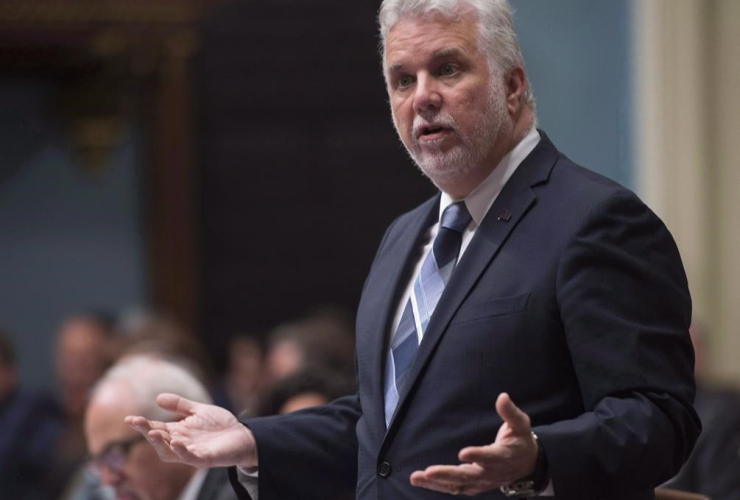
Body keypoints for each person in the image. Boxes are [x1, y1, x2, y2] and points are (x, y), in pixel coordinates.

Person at [127, 1, 700, 499]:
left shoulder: (596, 221)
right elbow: (384, 433)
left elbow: (659, 419)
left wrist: (540, 458)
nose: (423, 97)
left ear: (513, 84)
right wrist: (251, 439)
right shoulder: (405, 235)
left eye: (447, 69)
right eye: (403, 80)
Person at [85, 355, 234, 500]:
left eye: (114, 455)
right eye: (99, 462)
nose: (107, 479)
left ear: (181, 433)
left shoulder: (242, 492)